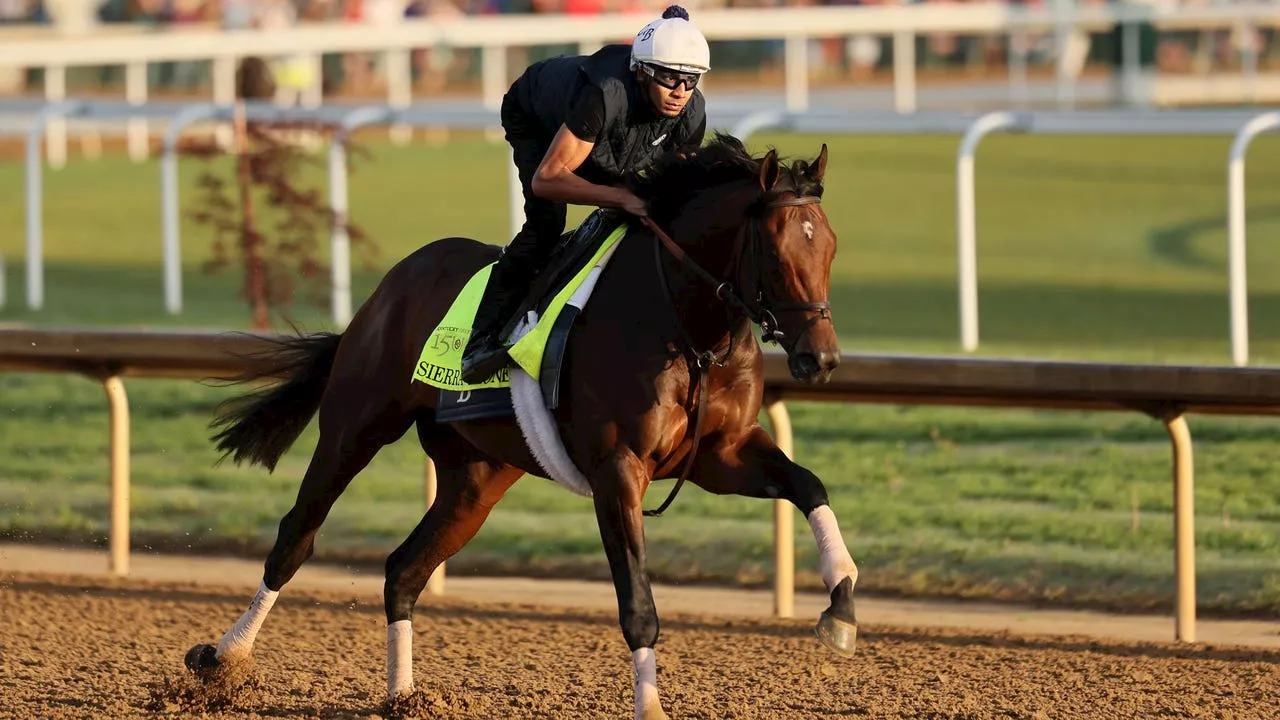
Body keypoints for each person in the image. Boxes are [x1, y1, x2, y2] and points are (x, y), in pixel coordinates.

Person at [459, 4, 711, 384]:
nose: (680, 92)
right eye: (670, 78)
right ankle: (481, 340)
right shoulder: (604, 95)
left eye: (690, 81)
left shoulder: (691, 112)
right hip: (537, 117)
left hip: (604, 138)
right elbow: (548, 179)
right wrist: (619, 196)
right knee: (547, 223)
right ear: (642, 72)